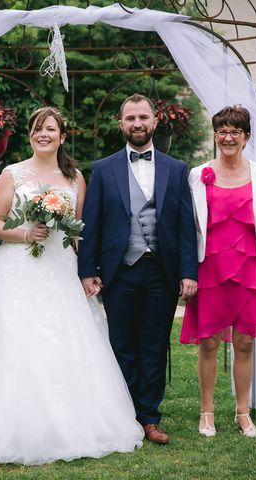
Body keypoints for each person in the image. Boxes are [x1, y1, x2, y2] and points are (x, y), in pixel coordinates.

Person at [0, 107, 144, 465]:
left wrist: (87, 271)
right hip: (17, 269)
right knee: (18, 341)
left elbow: (79, 230)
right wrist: (25, 233)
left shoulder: (75, 177)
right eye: (36, 129)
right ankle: (11, 424)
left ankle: (67, 423)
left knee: (65, 342)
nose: (42, 134)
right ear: (30, 136)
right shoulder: (12, 173)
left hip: (60, 269)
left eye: (50, 129)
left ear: (62, 136)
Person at [78, 93, 198, 445]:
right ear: (121, 123)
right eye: (130, 118)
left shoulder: (177, 169)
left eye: (143, 117)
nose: (137, 124)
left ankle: (149, 417)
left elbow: (185, 227)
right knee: (121, 344)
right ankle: (123, 415)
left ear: (155, 121)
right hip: (120, 270)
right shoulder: (102, 168)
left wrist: (188, 272)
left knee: (155, 345)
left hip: (162, 271)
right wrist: (87, 270)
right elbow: (92, 223)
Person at [180, 105, 256, 438]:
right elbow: (188, 227)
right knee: (209, 343)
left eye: (235, 132)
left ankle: (243, 413)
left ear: (246, 138)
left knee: (244, 343)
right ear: (215, 135)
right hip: (209, 267)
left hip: (249, 267)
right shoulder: (198, 175)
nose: (228, 137)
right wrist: (187, 272)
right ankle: (207, 412)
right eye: (222, 131)